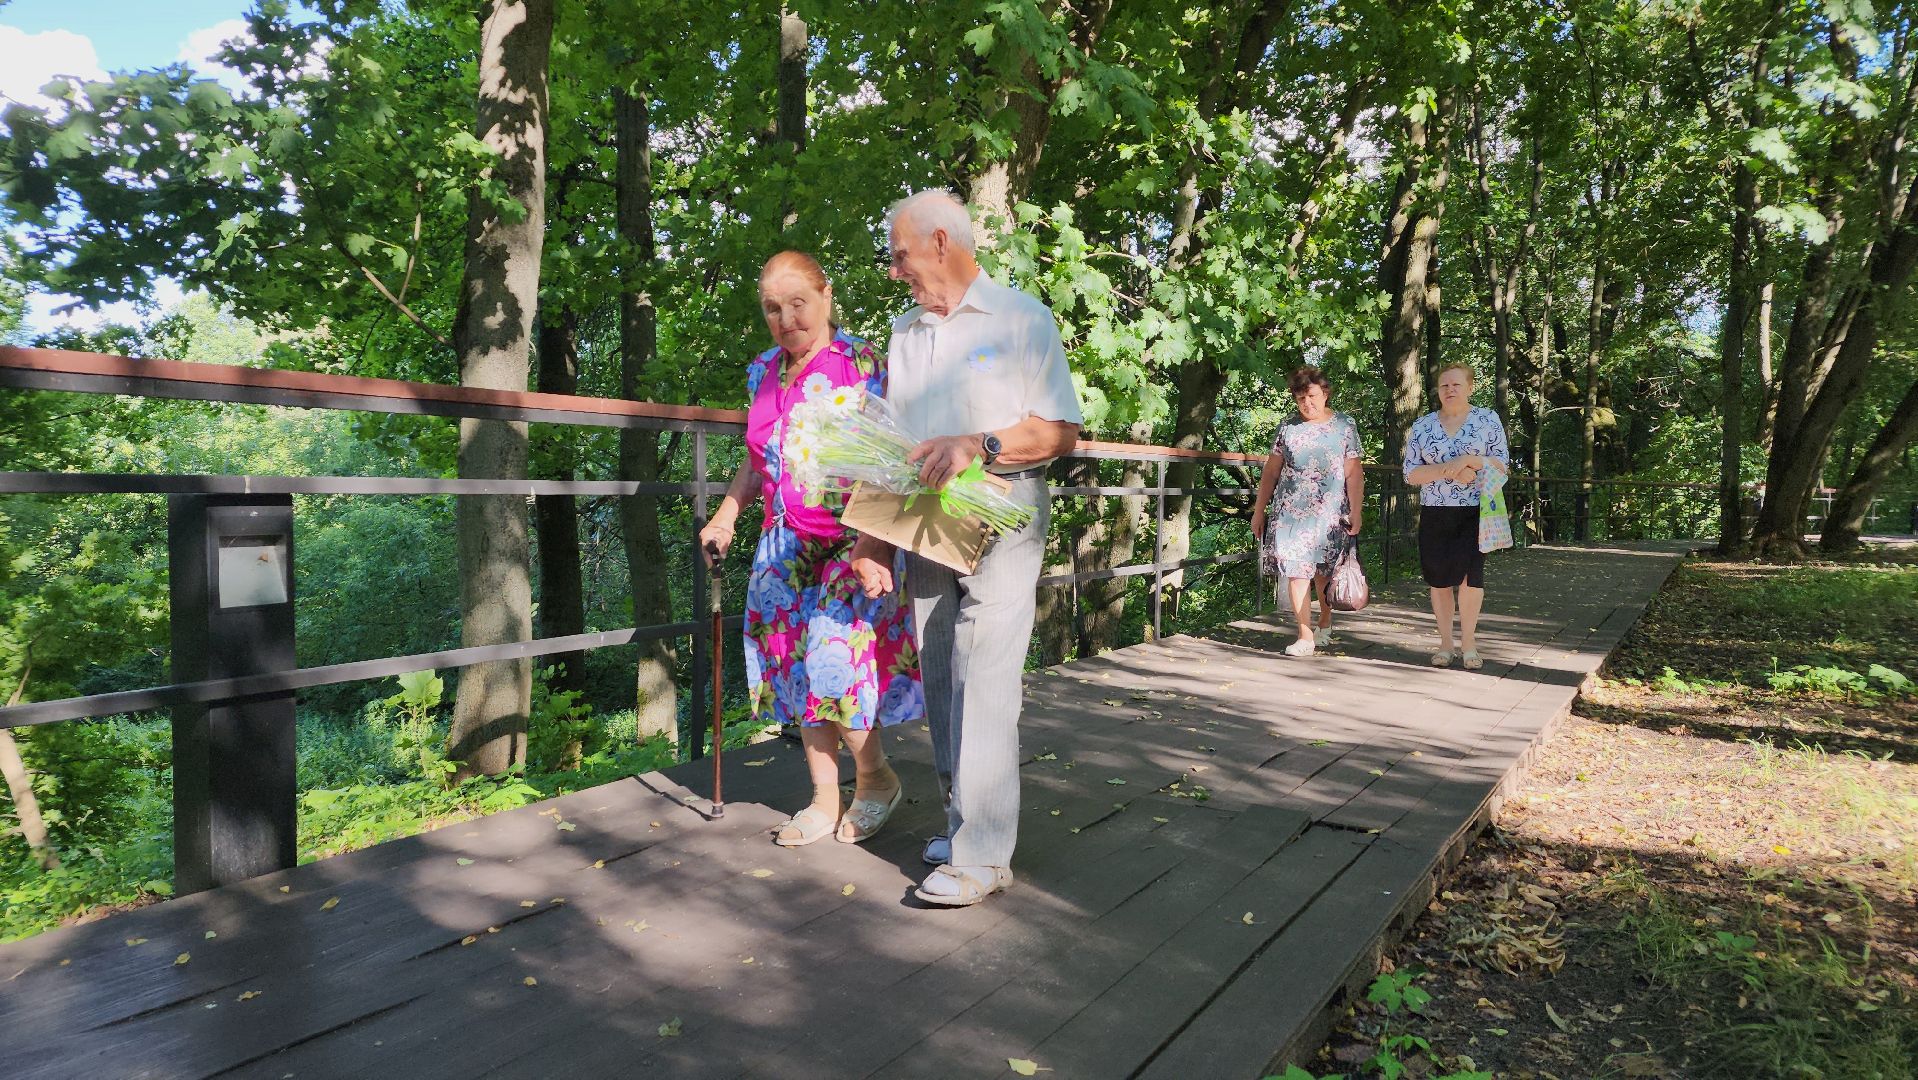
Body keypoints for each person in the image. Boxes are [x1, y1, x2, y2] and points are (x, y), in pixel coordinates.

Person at [848, 190, 1083, 907]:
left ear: (941, 241)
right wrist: (870, 543)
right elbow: (891, 448)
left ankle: (983, 854)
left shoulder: (1021, 318)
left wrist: (979, 446)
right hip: (925, 520)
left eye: (900, 256)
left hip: (1007, 512)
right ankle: (964, 822)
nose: (895, 273)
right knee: (944, 673)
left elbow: (1060, 433)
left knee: (984, 668)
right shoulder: (905, 332)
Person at [698, 251, 923, 847]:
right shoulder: (763, 371)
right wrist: (726, 516)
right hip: (782, 542)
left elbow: (897, 459)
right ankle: (824, 797)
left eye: (798, 302)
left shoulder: (862, 363)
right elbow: (756, 462)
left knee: (832, 660)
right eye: (773, 308)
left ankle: (875, 779)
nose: (786, 317)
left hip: (853, 539)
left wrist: (874, 544)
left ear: (826, 296)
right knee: (793, 667)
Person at [1401, 363, 1510, 670]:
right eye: (1444, 385)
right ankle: (1446, 645)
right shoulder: (1422, 425)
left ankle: (1469, 644)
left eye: (1456, 385)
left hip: (1476, 511)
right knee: (1439, 578)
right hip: (1436, 510)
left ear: (1470, 387)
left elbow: (1501, 465)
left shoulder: (1487, 419)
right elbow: (1410, 473)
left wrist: (1469, 460)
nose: (1450, 390)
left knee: (1470, 577)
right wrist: (1449, 471)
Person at [1249, 366, 1363, 657]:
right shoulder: (1288, 427)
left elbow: (1353, 473)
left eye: (1311, 396)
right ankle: (1304, 635)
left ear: (1324, 393)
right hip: (1290, 513)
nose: (1306, 404)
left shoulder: (1344, 426)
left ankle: (1325, 620)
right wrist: (1259, 511)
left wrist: (1357, 512)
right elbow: (1271, 471)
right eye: (1300, 398)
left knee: (1324, 573)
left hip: (1331, 513)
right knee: (1297, 572)